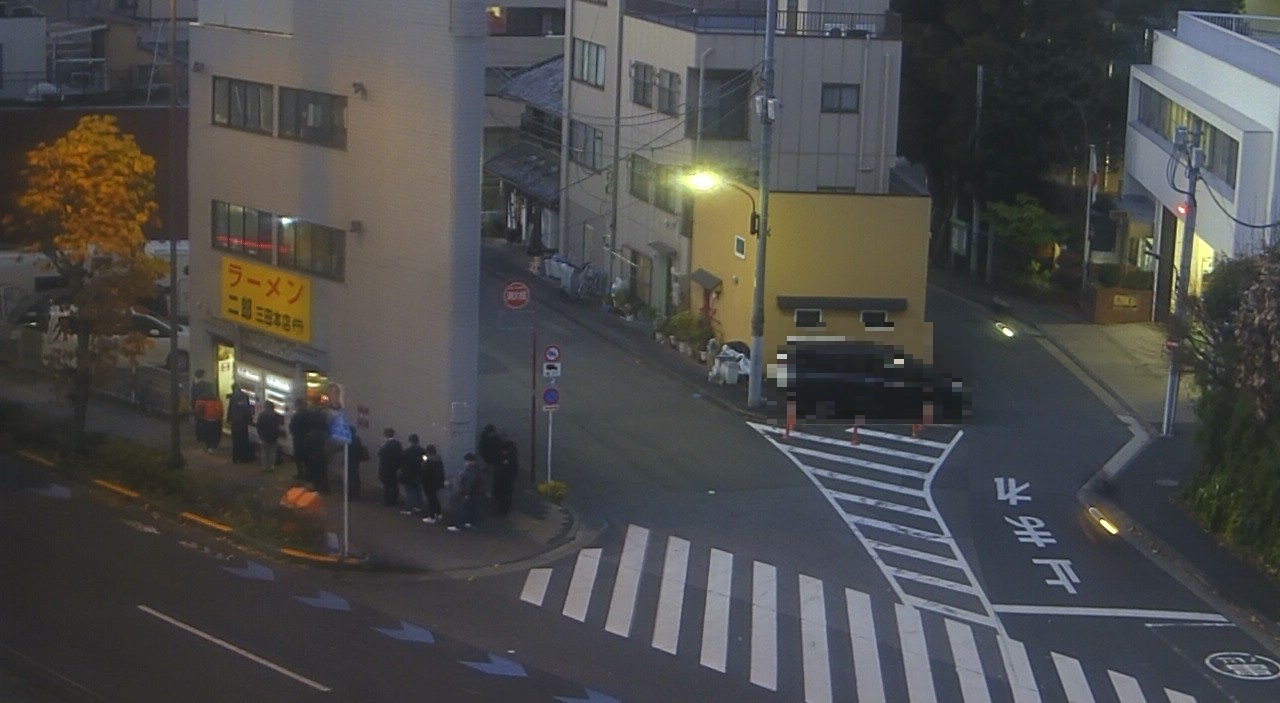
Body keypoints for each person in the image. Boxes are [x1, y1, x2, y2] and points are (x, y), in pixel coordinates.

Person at [448, 453, 482, 532]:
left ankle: (458, 525)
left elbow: (469, 483)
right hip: (474, 493)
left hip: (468, 492)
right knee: (471, 508)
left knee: (461, 509)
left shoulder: (471, 470)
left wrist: (466, 493)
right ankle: (470, 522)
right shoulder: (476, 469)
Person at [398, 433, 426, 515]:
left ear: (410, 441)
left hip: (408, 474)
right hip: (418, 473)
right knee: (418, 490)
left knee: (409, 492)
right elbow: (425, 460)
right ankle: (418, 506)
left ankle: (408, 508)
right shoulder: (422, 450)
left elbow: (402, 463)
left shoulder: (406, 451)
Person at [226, 383, 255, 464]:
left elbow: (230, 409)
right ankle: (243, 457)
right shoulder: (245, 396)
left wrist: (228, 419)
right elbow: (247, 410)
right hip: (243, 423)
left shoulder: (233, 397)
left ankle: (235, 458)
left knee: (235, 441)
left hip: (235, 423)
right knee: (243, 440)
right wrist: (249, 420)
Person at [288, 398, 316, 479]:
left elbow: (292, 427)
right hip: (307, 438)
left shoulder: (296, 415)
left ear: (297, 405)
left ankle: (300, 473)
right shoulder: (309, 414)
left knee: (298, 458)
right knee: (307, 457)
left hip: (298, 439)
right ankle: (308, 473)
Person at [255, 400, 285, 473]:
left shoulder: (261, 415)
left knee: (264, 452)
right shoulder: (275, 415)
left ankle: (264, 467)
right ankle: (271, 466)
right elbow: (278, 426)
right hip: (273, 436)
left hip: (264, 436)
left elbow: (258, 426)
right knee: (272, 453)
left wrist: (260, 435)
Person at [493, 437, 519, 517]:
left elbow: (514, 466)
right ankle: (503, 508)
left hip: (506, 478)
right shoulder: (507, 454)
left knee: (505, 494)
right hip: (504, 478)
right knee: (505, 494)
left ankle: (504, 509)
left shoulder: (509, 456)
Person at [420, 444, 445, 524]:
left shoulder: (429, 461)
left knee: (431, 499)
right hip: (437, 482)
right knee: (434, 498)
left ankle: (432, 516)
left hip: (428, 483)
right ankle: (438, 513)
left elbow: (424, 472)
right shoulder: (438, 460)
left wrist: (424, 462)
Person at [377, 428, 403, 507]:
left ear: (386, 435)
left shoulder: (386, 445)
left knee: (386, 485)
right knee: (394, 484)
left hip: (386, 468)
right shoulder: (398, 444)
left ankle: (387, 501)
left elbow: (380, 454)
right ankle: (394, 499)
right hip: (395, 468)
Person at [347, 429, 368, 500]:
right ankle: (356, 494)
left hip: (350, 460)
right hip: (355, 460)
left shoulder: (349, 439)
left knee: (351, 477)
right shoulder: (357, 439)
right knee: (355, 476)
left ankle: (351, 494)